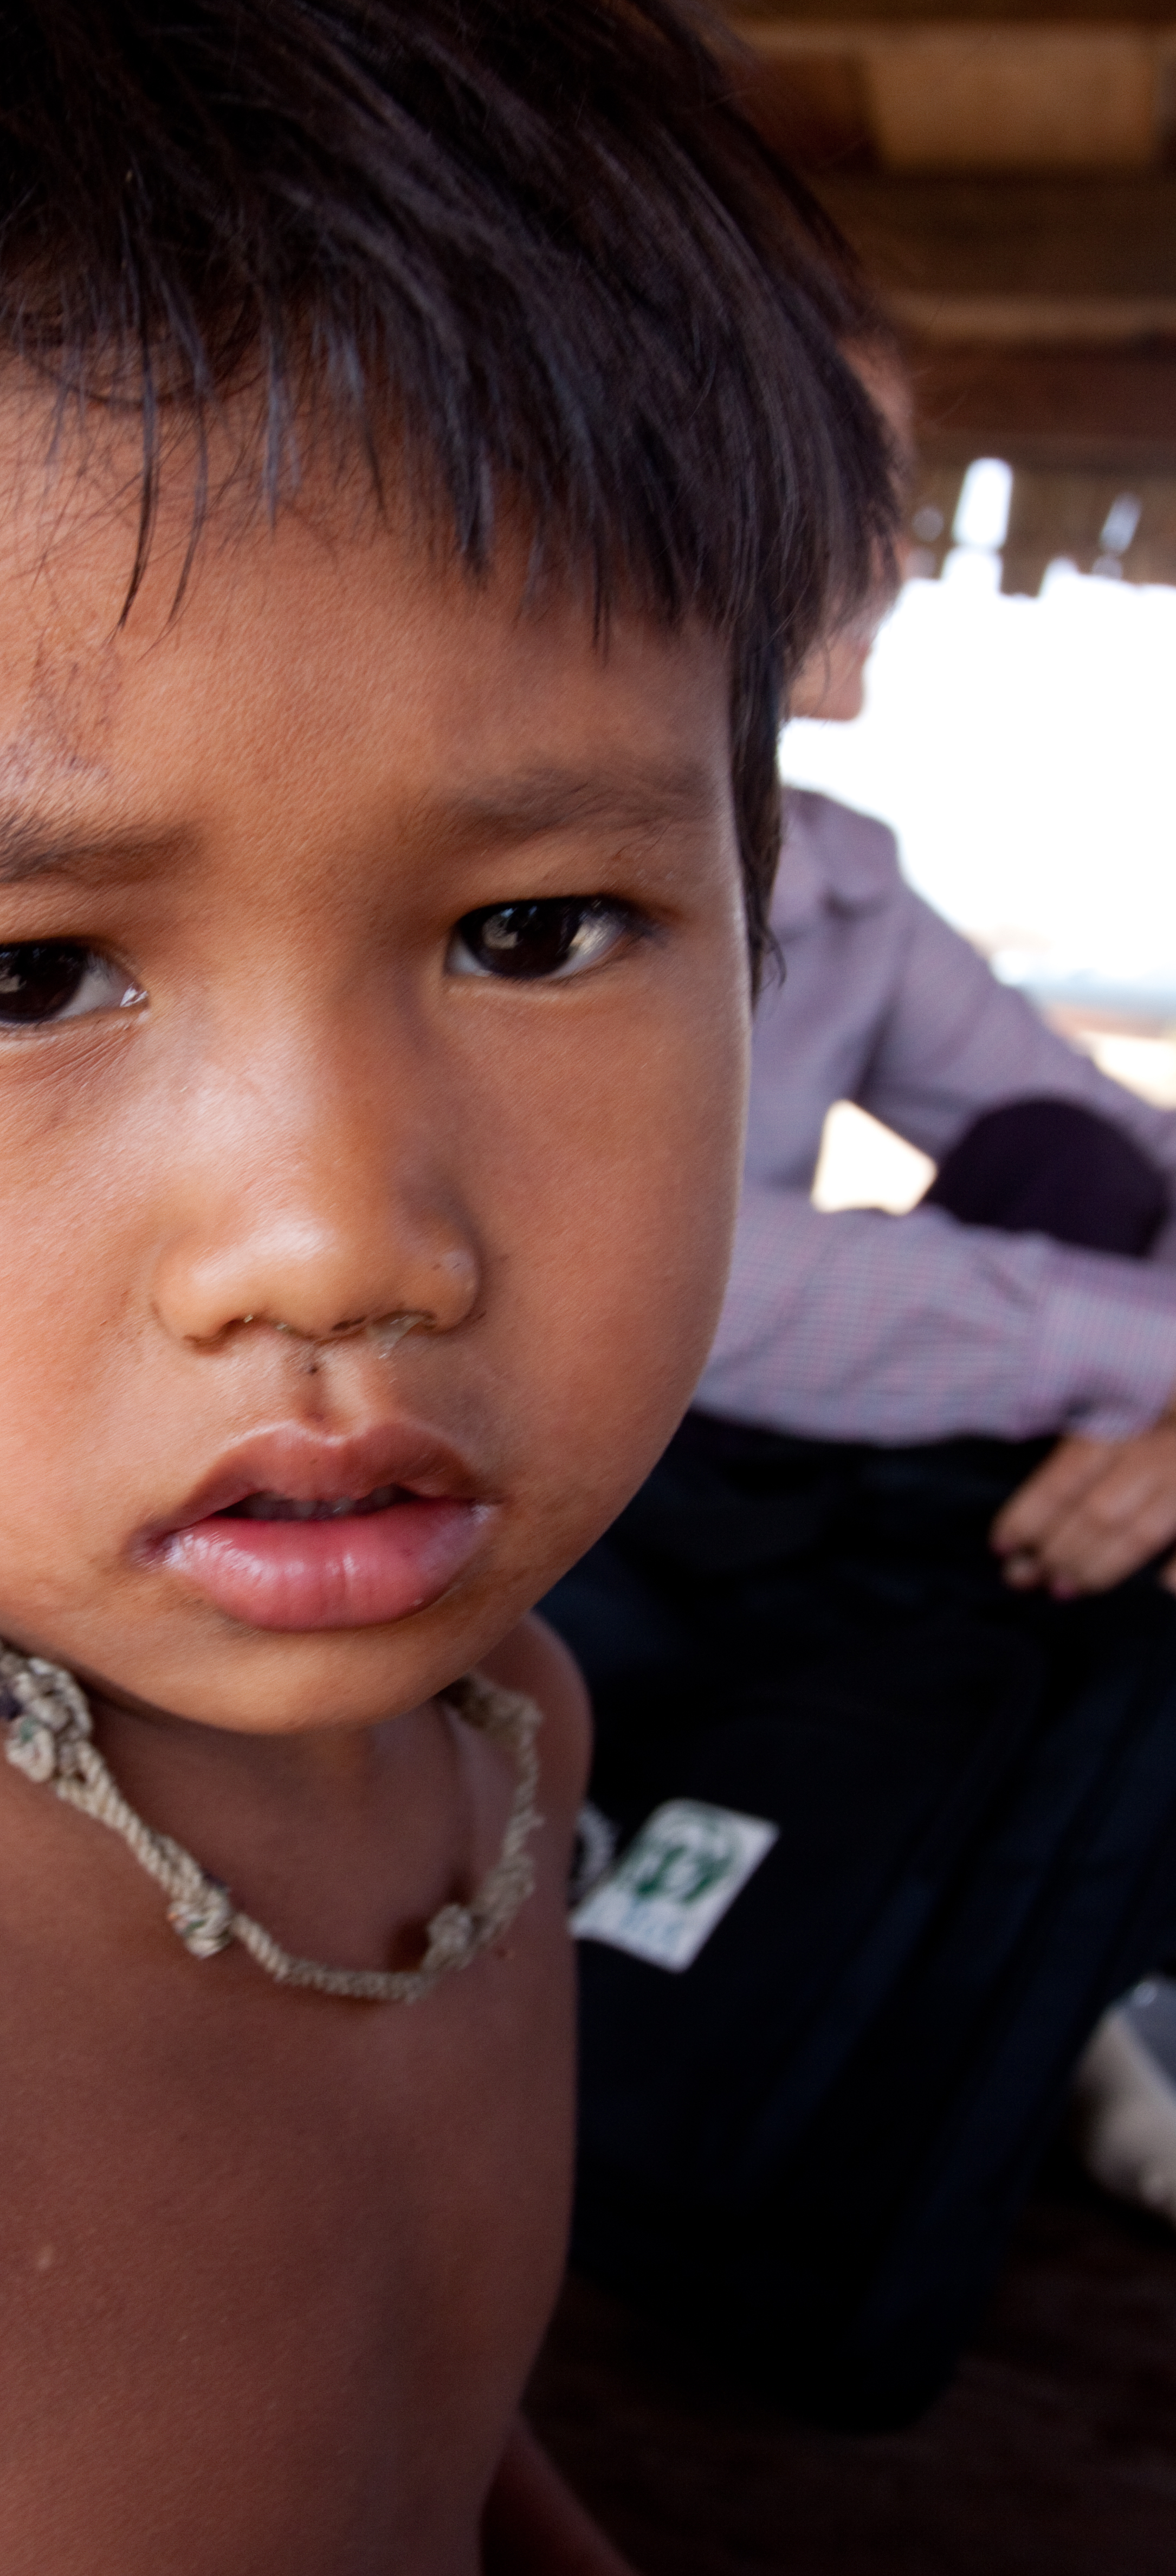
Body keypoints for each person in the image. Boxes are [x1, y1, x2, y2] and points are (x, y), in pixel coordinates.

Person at [0, 0, 893, 2565]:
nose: (332, 1237)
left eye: (540, 926)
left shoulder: (507, 1735)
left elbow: (406, 2412)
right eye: (25, 973)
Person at [544, 516, 1176, 2414]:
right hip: (553, 1482)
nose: (895, 542)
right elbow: (666, 1281)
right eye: (850, 479)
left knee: (1076, 1197)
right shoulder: (534, 860)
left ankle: (1005, 1948)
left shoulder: (828, 879)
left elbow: (1067, 1132)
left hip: (719, 1507)